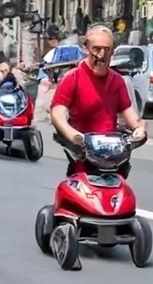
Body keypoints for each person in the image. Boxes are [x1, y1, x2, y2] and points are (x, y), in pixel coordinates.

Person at [50, 25, 147, 177]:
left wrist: (139, 128)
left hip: (112, 158)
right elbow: (58, 112)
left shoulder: (118, 81)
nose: (101, 55)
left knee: (121, 196)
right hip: (82, 156)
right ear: (87, 48)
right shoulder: (72, 78)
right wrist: (73, 135)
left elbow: (130, 114)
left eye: (106, 49)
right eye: (96, 49)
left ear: (112, 52)